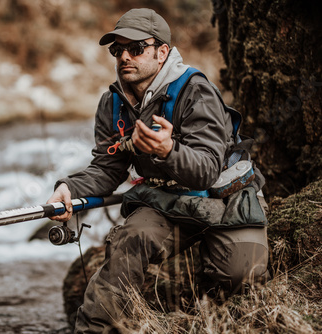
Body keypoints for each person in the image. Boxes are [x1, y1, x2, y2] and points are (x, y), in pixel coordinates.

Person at [47, 8, 269, 333]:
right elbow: (108, 169)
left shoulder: (197, 92)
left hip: (226, 197)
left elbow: (207, 170)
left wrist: (168, 150)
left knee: (239, 274)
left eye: (136, 48)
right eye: (117, 50)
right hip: (167, 200)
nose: (124, 57)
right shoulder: (112, 104)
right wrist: (70, 188)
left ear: (162, 51)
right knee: (127, 244)